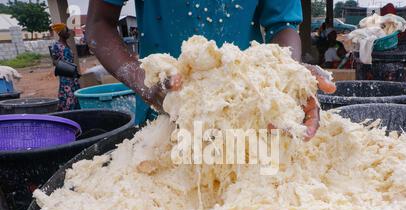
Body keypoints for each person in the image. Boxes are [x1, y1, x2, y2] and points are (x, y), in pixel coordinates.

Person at [86, 1, 335, 141]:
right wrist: (142, 79)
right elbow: (99, 23)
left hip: (247, 119)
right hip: (164, 118)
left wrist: (286, 74)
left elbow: (282, 25)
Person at [50, 23, 80, 111]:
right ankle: (68, 111)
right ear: (61, 32)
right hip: (65, 74)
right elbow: (54, 61)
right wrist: (66, 67)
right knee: (68, 93)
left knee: (75, 92)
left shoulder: (67, 44)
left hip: (72, 74)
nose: (69, 32)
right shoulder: (56, 45)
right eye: (66, 30)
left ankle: (76, 111)